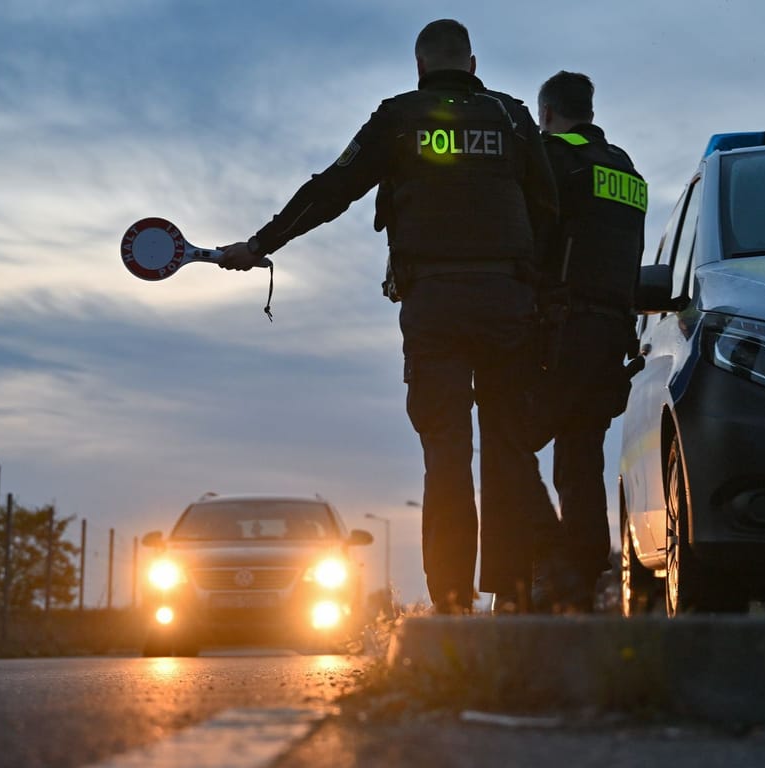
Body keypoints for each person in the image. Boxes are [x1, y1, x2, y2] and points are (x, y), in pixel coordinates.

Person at [219, 20, 558, 613]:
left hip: (434, 305)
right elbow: (547, 208)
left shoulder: (399, 116)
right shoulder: (511, 117)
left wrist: (262, 244)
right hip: (509, 301)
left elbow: (332, 189)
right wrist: (539, 297)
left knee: (446, 453)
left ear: (420, 66)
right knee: (509, 449)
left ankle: (450, 604)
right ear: (472, 64)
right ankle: (514, 599)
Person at [527, 71, 647, 611]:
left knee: (511, 442)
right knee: (581, 462)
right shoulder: (627, 169)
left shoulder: (553, 158)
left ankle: (553, 565)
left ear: (547, 113)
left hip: (560, 330)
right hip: (611, 339)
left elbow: (535, 242)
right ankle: (579, 582)